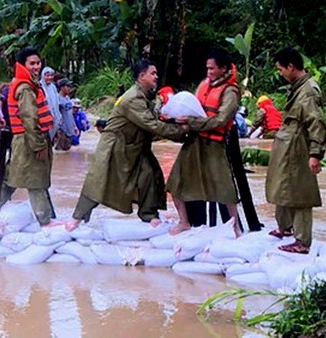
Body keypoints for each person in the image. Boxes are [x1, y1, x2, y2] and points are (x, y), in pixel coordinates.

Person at [66, 60, 188, 231]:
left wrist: (175, 123)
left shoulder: (145, 96)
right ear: (141, 76)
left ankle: (150, 216)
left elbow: (154, 121)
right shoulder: (133, 98)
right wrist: (181, 131)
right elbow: (151, 125)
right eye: (152, 73)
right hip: (115, 147)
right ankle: (76, 219)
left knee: (150, 175)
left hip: (135, 146)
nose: (156, 76)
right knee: (99, 182)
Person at [166, 49, 241, 237]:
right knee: (175, 183)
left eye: (212, 69)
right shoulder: (205, 85)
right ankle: (184, 222)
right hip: (194, 141)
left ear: (223, 69)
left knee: (224, 189)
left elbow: (221, 120)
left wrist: (191, 122)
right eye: (207, 69)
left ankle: (235, 228)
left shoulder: (230, 92)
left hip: (214, 145)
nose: (208, 72)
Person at [266, 47, 326, 254]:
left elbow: (316, 123)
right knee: (283, 186)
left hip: (299, 147)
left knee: (300, 192)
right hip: (288, 146)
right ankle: (285, 227)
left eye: (281, 69)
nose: (281, 73)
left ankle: (302, 241)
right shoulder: (298, 87)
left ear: (291, 67)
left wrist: (315, 154)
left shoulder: (308, 91)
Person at [0, 47, 63, 227]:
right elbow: (29, 118)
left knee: (12, 178)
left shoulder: (29, 84)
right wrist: (39, 145)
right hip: (29, 140)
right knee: (36, 181)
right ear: (23, 66)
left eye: (38, 63)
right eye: (32, 63)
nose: (36, 67)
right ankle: (45, 221)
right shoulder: (25, 88)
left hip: (23, 140)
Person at [55, 78, 77, 151]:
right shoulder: (57, 99)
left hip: (70, 130)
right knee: (61, 152)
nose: (69, 88)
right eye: (67, 86)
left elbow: (70, 114)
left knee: (67, 152)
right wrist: (57, 130)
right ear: (62, 88)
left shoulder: (67, 98)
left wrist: (74, 126)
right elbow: (56, 115)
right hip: (62, 130)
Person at [40, 66, 62, 141]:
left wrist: (59, 115)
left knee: (50, 139)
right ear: (43, 75)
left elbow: (56, 102)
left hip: (55, 117)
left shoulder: (53, 87)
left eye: (51, 75)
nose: (49, 77)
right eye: (47, 75)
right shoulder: (39, 87)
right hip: (44, 118)